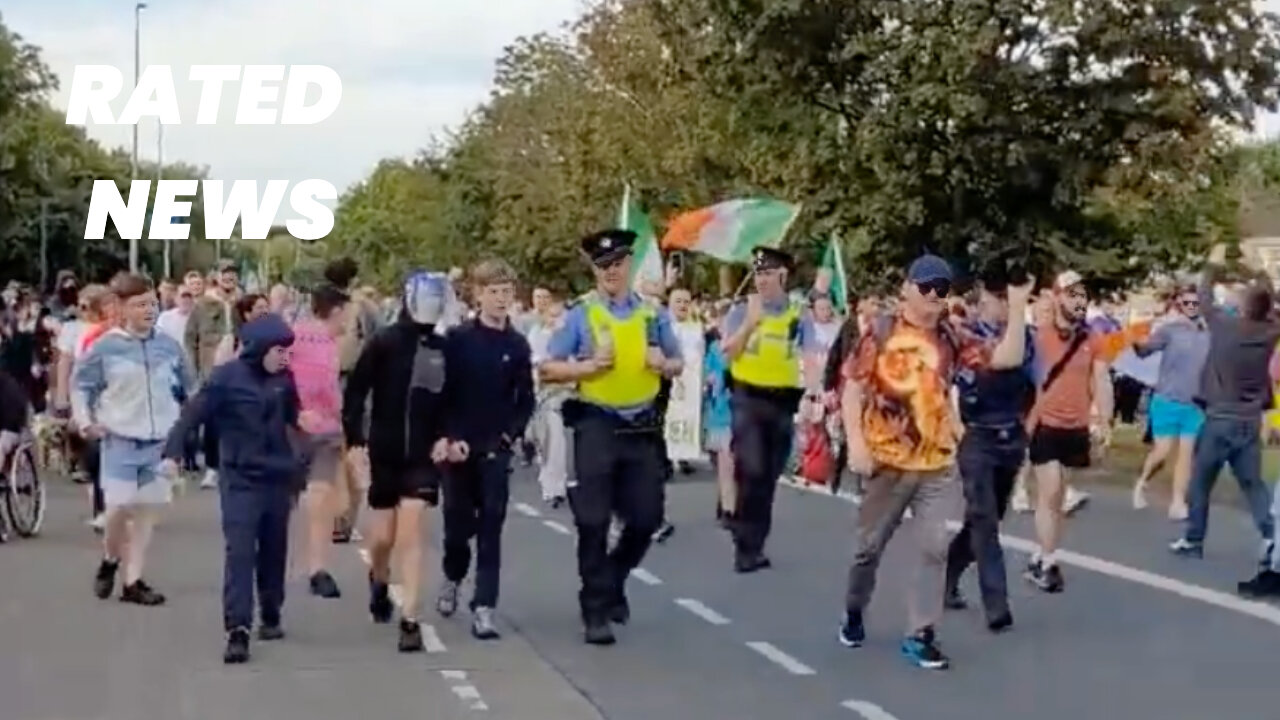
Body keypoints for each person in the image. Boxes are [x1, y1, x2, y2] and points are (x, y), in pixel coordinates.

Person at [839, 255, 1020, 670]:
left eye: (942, 288)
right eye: (926, 287)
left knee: (935, 548)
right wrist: (856, 444)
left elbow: (1004, 358)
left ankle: (921, 633)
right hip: (886, 461)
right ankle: (853, 611)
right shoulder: (881, 333)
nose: (934, 296)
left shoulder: (952, 335)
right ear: (907, 288)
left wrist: (1021, 302)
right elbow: (852, 388)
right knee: (868, 549)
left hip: (937, 462)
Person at [541, 229, 683, 645]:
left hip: (641, 428)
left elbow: (677, 362)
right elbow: (548, 367)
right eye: (603, 267)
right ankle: (595, 610)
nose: (611, 273)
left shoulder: (652, 315)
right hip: (596, 424)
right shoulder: (580, 315)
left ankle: (614, 577)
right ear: (594, 271)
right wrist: (585, 369)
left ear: (629, 266)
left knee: (645, 519)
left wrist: (664, 363)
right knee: (593, 521)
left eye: (618, 264)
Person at [162, 313, 301, 664]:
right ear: (259, 349)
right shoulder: (226, 379)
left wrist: (304, 455)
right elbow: (191, 417)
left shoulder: (285, 380)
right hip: (240, 479)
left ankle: (271, 610)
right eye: (280, 350)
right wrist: (174, 454)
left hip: (277, 477)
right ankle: (237, 628)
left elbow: (293, 422)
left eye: (288, 350)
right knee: (240, 551)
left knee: (274, 549)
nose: (286, 357)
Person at [344, 271, 455, 653]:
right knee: (383, 538)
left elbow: (452, 400)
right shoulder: (385, 342)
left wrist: (446, 436)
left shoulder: (443, 347)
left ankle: (410, 617)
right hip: (386, 448)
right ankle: (378, 577)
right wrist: (355, 439)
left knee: (411, 534)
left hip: (423, 455)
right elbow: (357, 391)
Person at [74, 274, 193, 607]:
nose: (149, 310)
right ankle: (111, 559)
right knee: (117, 509)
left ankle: (133, 581)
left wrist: (186, 429)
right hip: (120, 440)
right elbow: (81, 387)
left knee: (146, 512)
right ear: (121, 308)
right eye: (140, 305)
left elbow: (190, 387)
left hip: (160, 442)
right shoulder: (106, 347)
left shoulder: (169, 346)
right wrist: (86, 422)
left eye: (153, 303)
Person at [1170, 250, 1280, 598]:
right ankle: (1271, 533)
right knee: (1253, 485)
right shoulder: (1269, 333)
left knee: (1201, 482)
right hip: (1249, 420)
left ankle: (1194, 538)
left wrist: (1213, 264)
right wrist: (1263, 276)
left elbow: (1203, 297)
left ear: (1246, 306)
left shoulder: (1226, 327)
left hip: (1219, 418)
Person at [435, 259, 535, 640]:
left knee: (492, 525)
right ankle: (452, 576)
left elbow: (525, 398)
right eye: (493, 292)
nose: (500, 299)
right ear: (477, 295)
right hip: (459, 447)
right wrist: (446, 436)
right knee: (458, 527)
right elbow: (442, 393)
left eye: (507, 292)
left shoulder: (517, 344)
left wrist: (511, 435)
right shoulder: (458, 340)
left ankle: (485, 606)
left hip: (496, 448)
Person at [943, 273, 1034, 632]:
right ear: (983, 302)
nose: (1002, 306)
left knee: (987, 519)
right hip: (976, 437)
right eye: (998, 299)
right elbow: (1001, 361)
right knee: (983, 518)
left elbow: (1032, 378)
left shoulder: (1024, 337)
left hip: (1010, 438)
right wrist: (952, 423)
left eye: (1006, 298)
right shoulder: (967, 335)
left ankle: (947, 577)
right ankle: (997, 604)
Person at [1024, 271, 1114, 594]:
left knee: (1059, 496)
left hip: (1075, 427)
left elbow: (1101, 380)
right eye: (1071, 293)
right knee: (1050, 491)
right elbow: (1026, 381)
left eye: (1082, 294)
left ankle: (1040, 553)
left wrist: (1105, 420)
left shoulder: (1093, 339)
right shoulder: (1038, 336)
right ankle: (1048, 562)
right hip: (1045, 424)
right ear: (1056, 296)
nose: (1078, 300)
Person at [720, 247, 807, 572]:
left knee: (768, 477)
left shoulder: (798, 314)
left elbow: (807, 354)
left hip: (782, 402)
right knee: (752, 468)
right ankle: (744, 544)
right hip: (747, 398)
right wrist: (749, 325)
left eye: (769, 274)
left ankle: (754, 545)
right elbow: (727, 354)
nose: (762, 280)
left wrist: (812, 392)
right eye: (758, 274)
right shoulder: (742, 310)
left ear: (783, 276)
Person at [290, 286, 351, 600]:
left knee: (321, 497)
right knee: (318, 499)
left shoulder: (299, 335)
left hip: (321, 428)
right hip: (301, 427)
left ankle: (317, 568)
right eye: (347, 313)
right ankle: (314, 568)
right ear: (337, 311)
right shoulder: (302, 338)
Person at [1130, 284, 1209, 520]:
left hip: (1195, 403)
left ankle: (1177, 502)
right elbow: (1145, 351)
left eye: (1196, 303)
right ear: (1179, 305)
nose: (1192, 307)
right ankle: (1142, 482)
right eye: (1187, 303)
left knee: (1186, 455)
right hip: (1167, 399)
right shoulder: (1169, 330)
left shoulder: (1209, 334)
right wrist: (1138, 342)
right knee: (1162, 452)